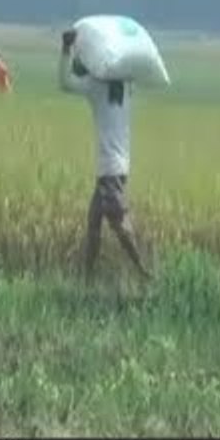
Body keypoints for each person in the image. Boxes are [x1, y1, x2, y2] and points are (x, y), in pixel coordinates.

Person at [58, 28, 152, 284]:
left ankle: (144, 272)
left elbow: (65, 83)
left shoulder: (97, 88)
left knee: (119, 224)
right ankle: (86, 280)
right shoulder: (125, 86)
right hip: (116, 166)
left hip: (110, 167)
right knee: (94, 226)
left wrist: (67, 50)